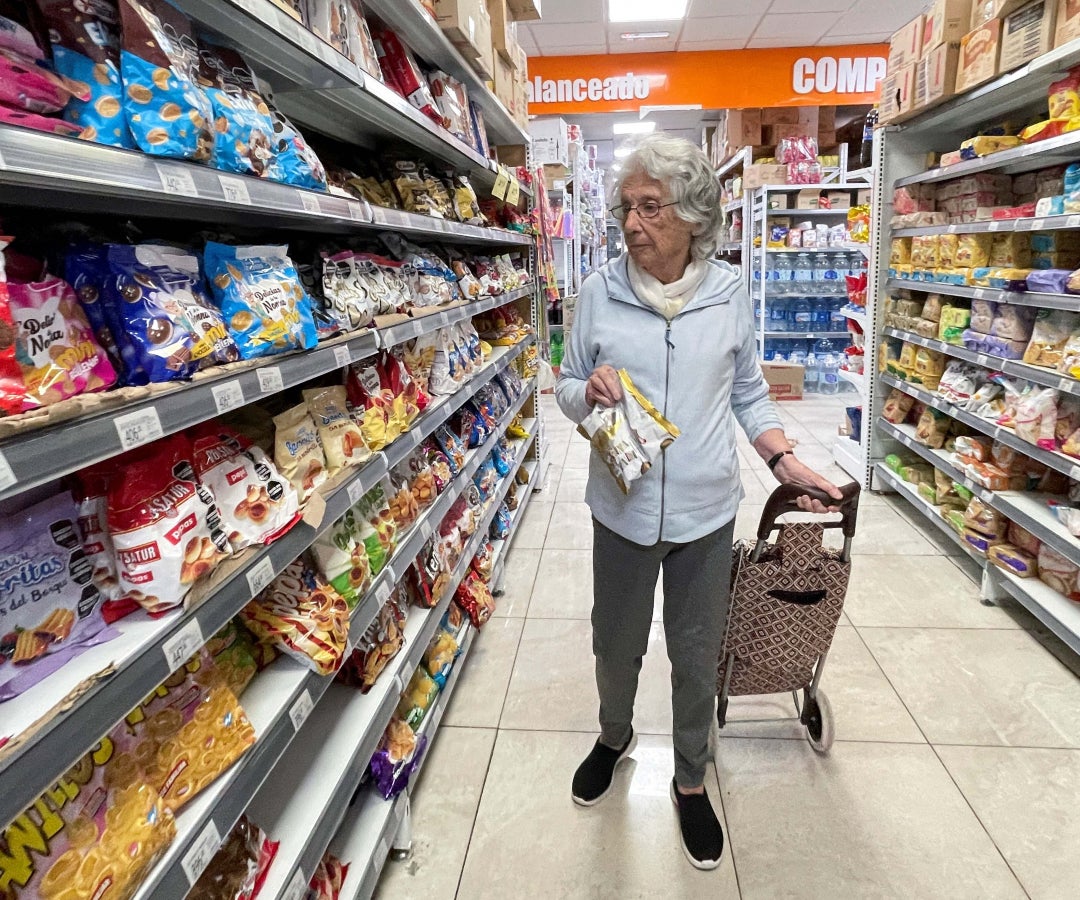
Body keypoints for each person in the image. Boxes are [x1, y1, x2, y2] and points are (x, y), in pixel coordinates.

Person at [554, 133, 842, 871]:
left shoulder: (726, 292)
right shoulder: (597, 292)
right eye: (627, 206)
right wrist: (583, 395)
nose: (631, 223)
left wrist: (781, 456)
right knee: (613, 642)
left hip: (707, 511)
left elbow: (748, 390)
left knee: (695, 651)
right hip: (620, 506)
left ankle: (688, 778)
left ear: (691, 216)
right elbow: (563, 384)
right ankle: (614, 736)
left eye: (651, 207)